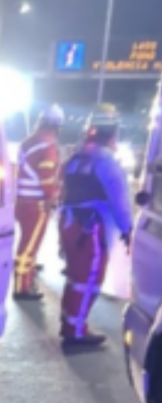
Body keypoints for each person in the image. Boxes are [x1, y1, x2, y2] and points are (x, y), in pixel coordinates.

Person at [57, 103, 133, 346]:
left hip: (69, 224)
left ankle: (69, 323)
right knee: (88, 279)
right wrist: (127, 229)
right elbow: (119, 198)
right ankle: (76, 331)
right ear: (111, 133)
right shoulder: (106, 160)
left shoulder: (77, 156)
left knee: (75, 277)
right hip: (89, 228)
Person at [13, 104, 65, 301]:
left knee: (26, 243)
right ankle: (22, 287)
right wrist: (54, 197)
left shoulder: (29, 141)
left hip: (21, 201)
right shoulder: (48, 146)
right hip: (36, 205)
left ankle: (28, 272)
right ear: (58, 126)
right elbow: (47, 179)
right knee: (28, 247)